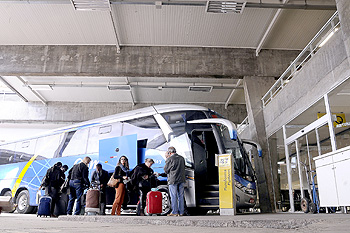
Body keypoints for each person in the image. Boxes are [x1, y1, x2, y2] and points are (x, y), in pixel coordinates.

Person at [164, 147, 186, 216]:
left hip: (173, 180)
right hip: (182, 179)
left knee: (173, 196)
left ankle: (174, 212)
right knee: (181, 196)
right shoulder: (182, 158)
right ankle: (181, 212)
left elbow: (166, 170)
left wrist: (167, 158)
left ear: (169, 153)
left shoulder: (170, 159)